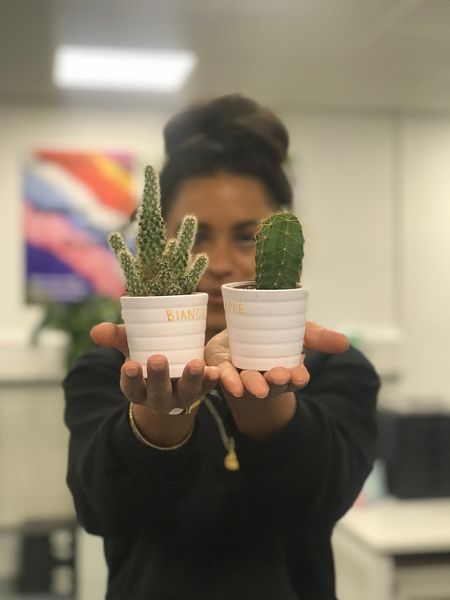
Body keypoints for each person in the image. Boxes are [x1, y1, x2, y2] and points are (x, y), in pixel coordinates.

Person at [63, 94, 380, 600]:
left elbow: (323, 498)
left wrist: (266, 400)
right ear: (158, 242)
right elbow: (100, 509)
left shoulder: (332, 366)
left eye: (248, 236)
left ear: (280, 239)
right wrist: (157, 418)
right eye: (196, 235)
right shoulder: (112, 366)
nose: (220, 262)